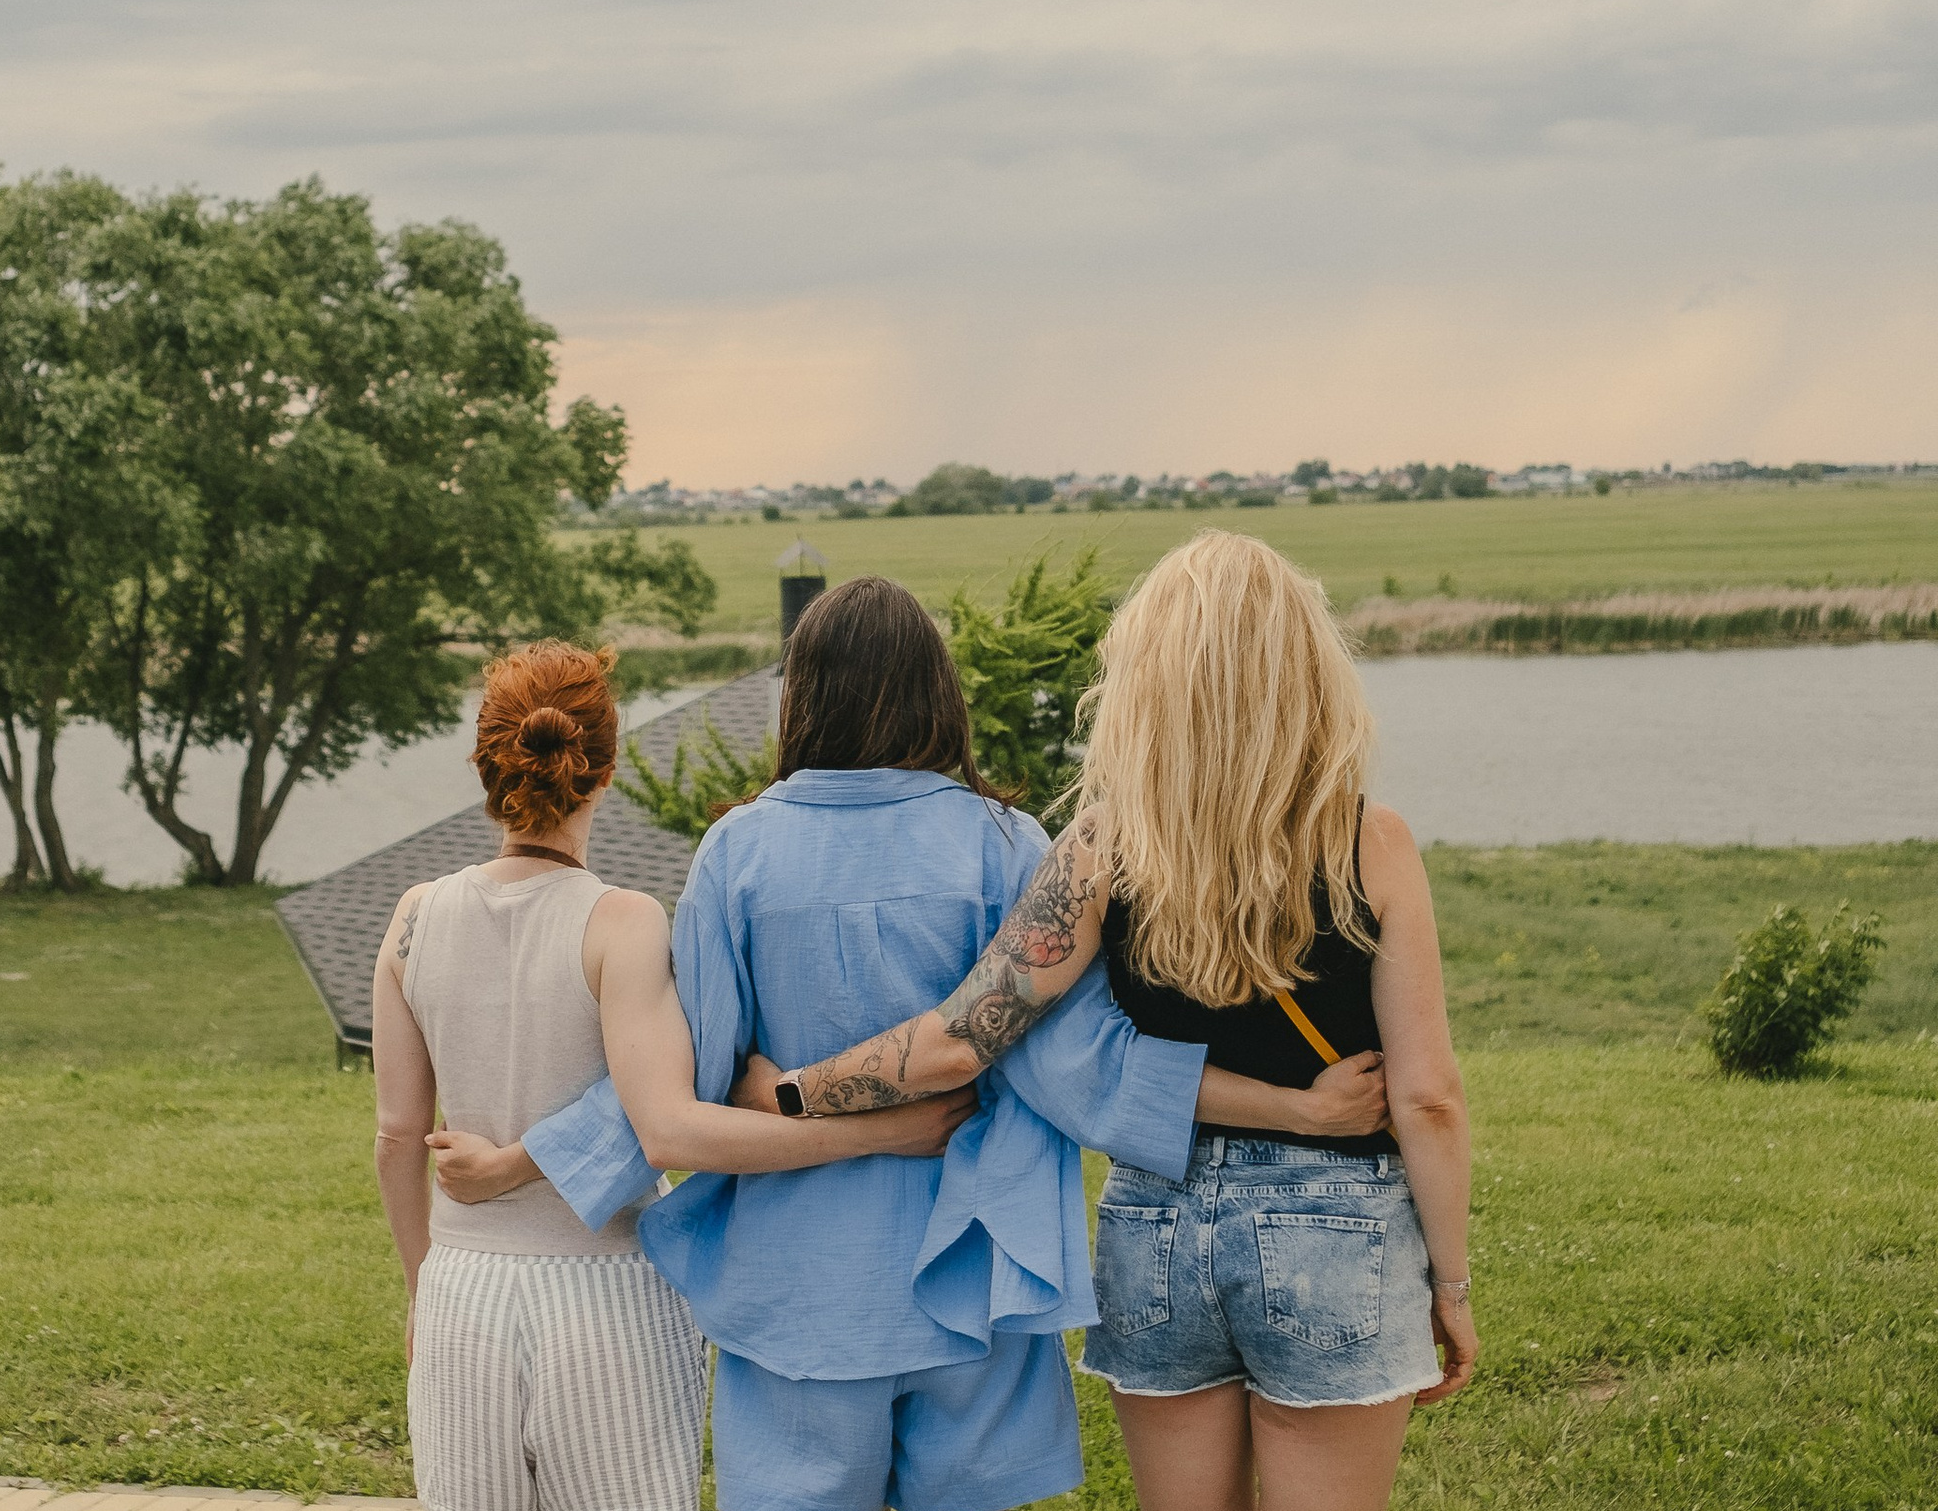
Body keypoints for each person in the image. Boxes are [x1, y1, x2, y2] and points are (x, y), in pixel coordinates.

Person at [437, 577, 1390, 1511]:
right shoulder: (1008, 843)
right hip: (973, 1276)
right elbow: (1077, 1065)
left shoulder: (739, 853)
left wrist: (522, 1160)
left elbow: (688, 1074)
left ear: (799, 697)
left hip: (796, 1293)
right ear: (939, 690)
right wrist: (1293, 1109)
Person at [758, 532, 1477, 1511]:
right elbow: (1427, 1096)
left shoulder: (1099, 844)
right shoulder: (1371, 840)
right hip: (1336, 1228)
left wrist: (798, 1089)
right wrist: (1452, 1287)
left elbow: (959, 1037)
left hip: (1155, 1224)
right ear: (1306, 670)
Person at [373, 638, 979, 1511]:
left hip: (461, 1286)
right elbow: (676, 1127)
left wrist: (422, 1289)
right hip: (607, 1293)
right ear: (605, 770)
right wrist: (882, 1131)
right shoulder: (624, 924)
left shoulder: (413, 917)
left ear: (485, 764)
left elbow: (398, 1135)